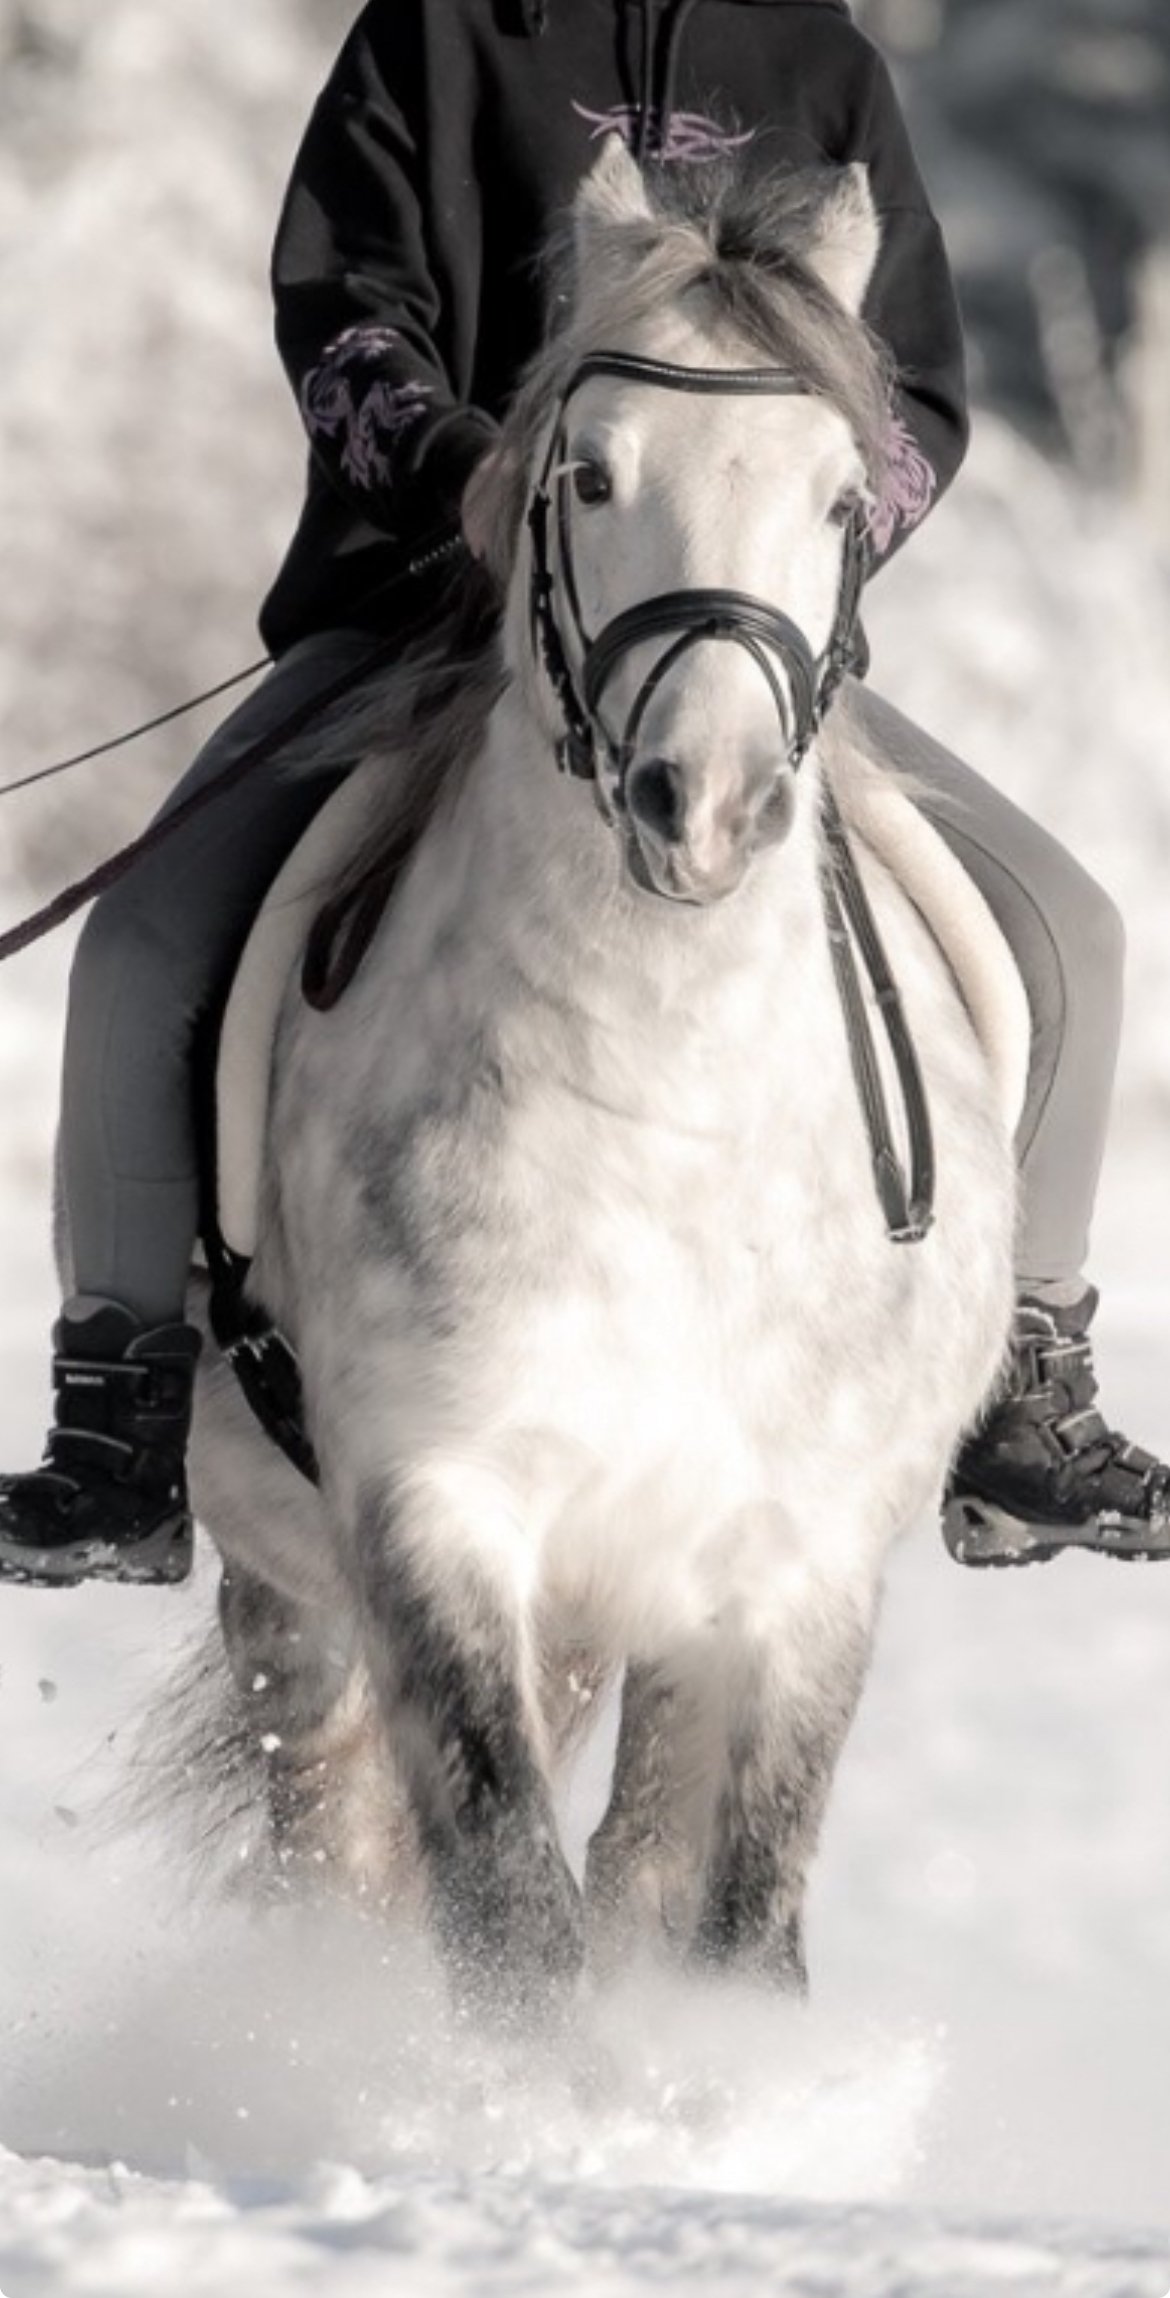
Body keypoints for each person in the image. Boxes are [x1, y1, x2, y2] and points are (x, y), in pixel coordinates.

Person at [1, 0, 1166, 1586]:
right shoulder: (433, 38)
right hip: (423, 619)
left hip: (718, 659)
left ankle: (1029, 1390)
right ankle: (119, 1423)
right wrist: (470, 483)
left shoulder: (824, 69)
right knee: (142, 943)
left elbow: (915, 406)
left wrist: (775, 572)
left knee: (1071, 936)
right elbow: (341, 315)